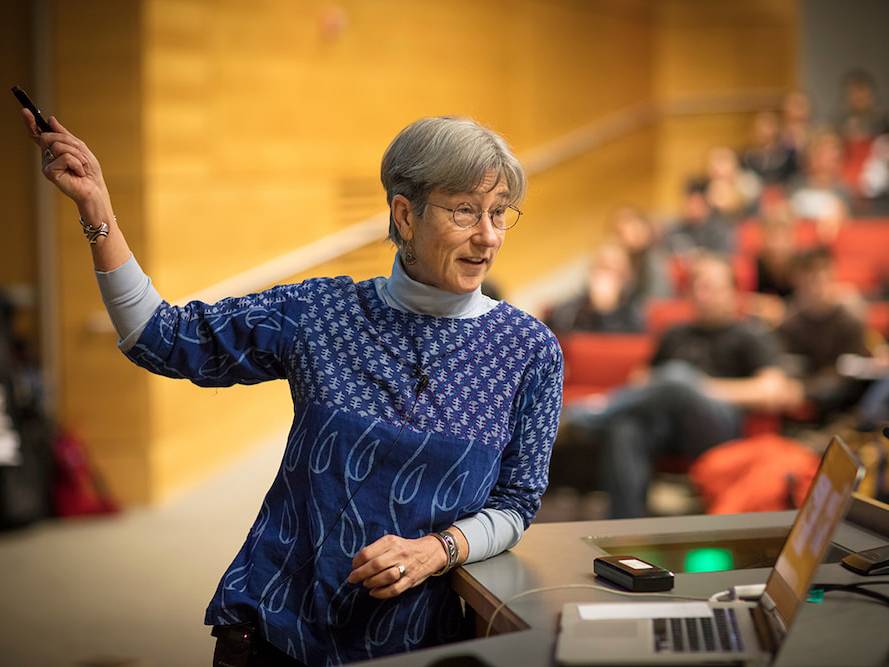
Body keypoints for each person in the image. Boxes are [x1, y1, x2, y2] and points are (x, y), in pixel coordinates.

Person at [23, 112, 563, 665]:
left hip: (417, 643)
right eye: (466, 211)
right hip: (278, 629)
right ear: (405, 214)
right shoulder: (322, 313)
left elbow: (517, 504)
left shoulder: (529, 351)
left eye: (499, 213)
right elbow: (162, 336)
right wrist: (98, 210)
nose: (489, 236)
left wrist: (437, 550)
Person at [560, 254, 803, 518]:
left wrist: (696, 388)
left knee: (677, 377)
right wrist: (672, 388)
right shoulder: (676, 333)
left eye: (710, 286)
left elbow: (770, 391)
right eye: (696, 286)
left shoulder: (751, 335)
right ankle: (625, 526)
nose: (701, 293)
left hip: (718, 426)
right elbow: (642, 380)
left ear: (733, 292)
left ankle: (584, 415)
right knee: (625, 428)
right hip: (666, 426)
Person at [778, 246, 870, 422]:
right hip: (800, 398)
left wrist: (807, 390)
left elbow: (849, 372)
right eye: (809, 278)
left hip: (842, 401)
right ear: (797, 281)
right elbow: (790, 365)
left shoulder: (850, 321)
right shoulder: (790, 323)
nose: (815, 286)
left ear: (832, 276)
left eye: (820, 278)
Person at [545, 242, 645, 335]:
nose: (604, 276)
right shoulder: (570, 311)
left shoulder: (634, 315)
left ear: (626, 277)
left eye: (613, 270)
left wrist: (606, 310)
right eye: (601, 267)